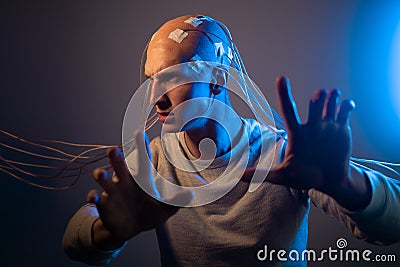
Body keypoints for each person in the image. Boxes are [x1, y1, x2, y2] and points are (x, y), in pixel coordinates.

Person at [62, 14, 400, 266]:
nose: (155, 97)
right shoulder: (154, 163)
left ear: (218, 79)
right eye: (152, 79)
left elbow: (393, 225)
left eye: (173, 77)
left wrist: (343, 184)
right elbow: (73, 241)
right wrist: (112, 232)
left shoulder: (284, 157)